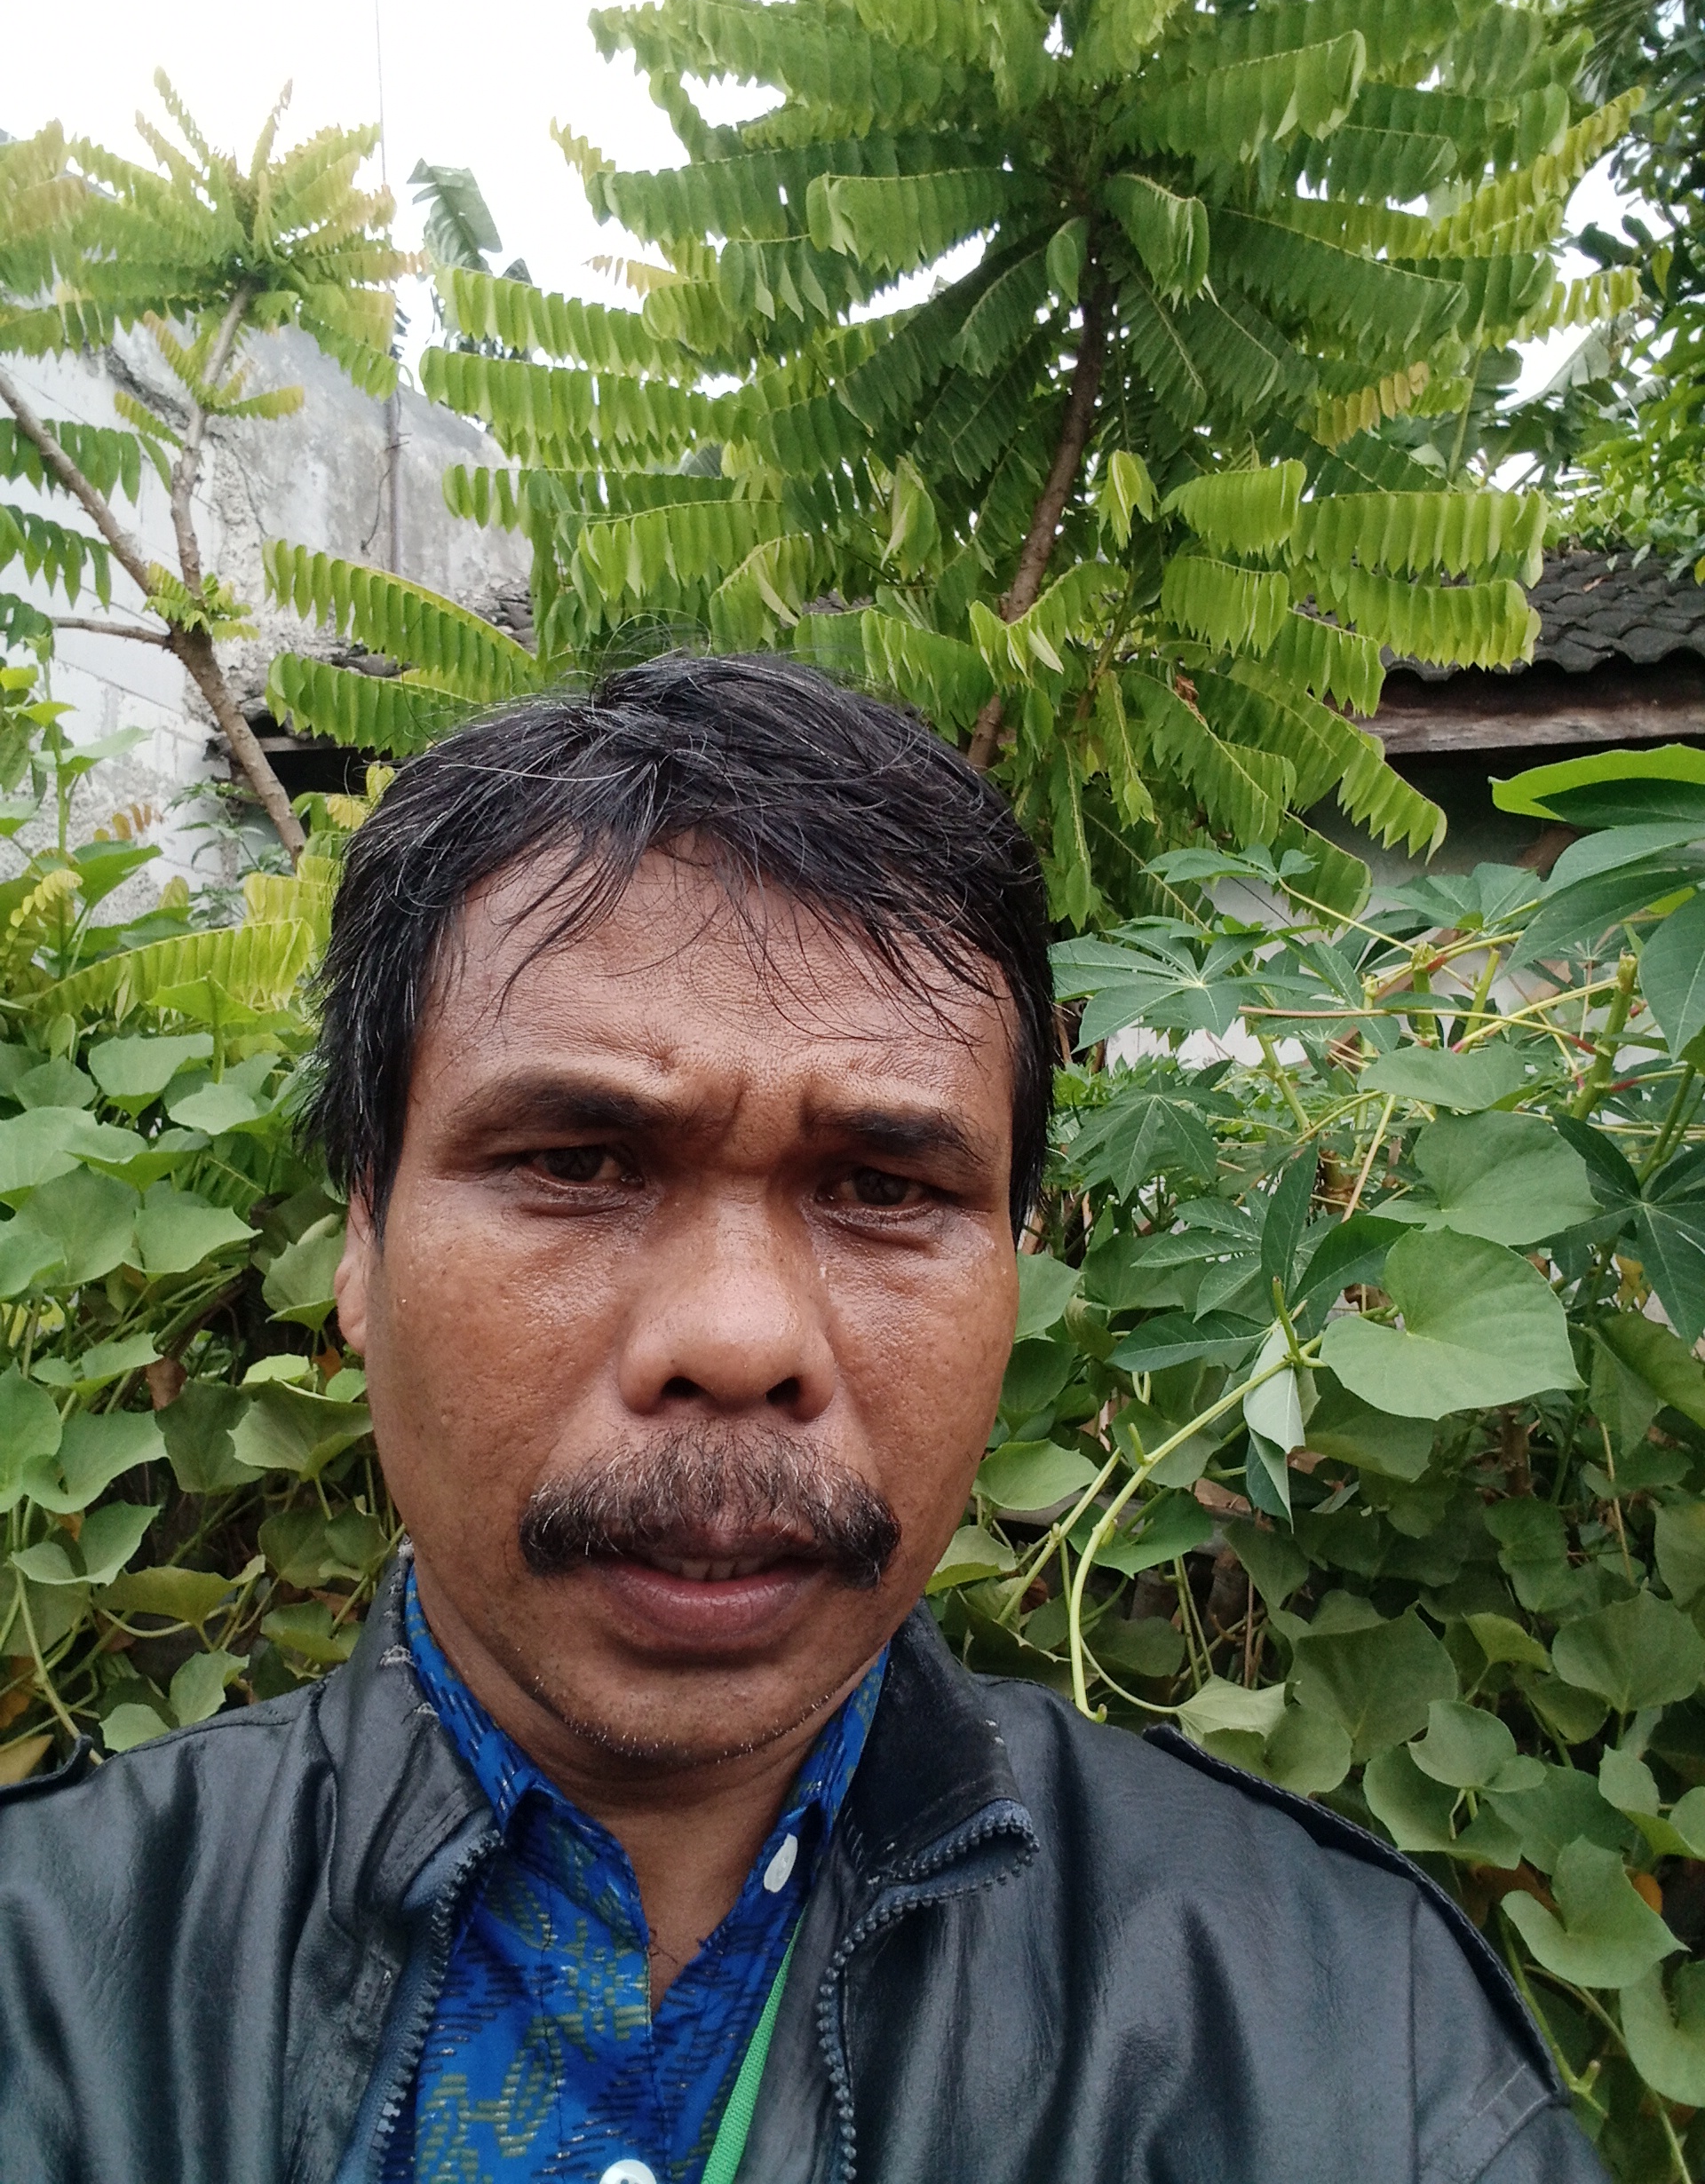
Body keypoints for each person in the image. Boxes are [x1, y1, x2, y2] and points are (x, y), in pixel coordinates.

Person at [0, 655, 1602, 2184]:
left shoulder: (1355, 2042)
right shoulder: (45, 1974)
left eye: (884, 1190)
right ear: (362, 1238)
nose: (738, 1339)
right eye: (577, 1163)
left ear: (1015, 1272)